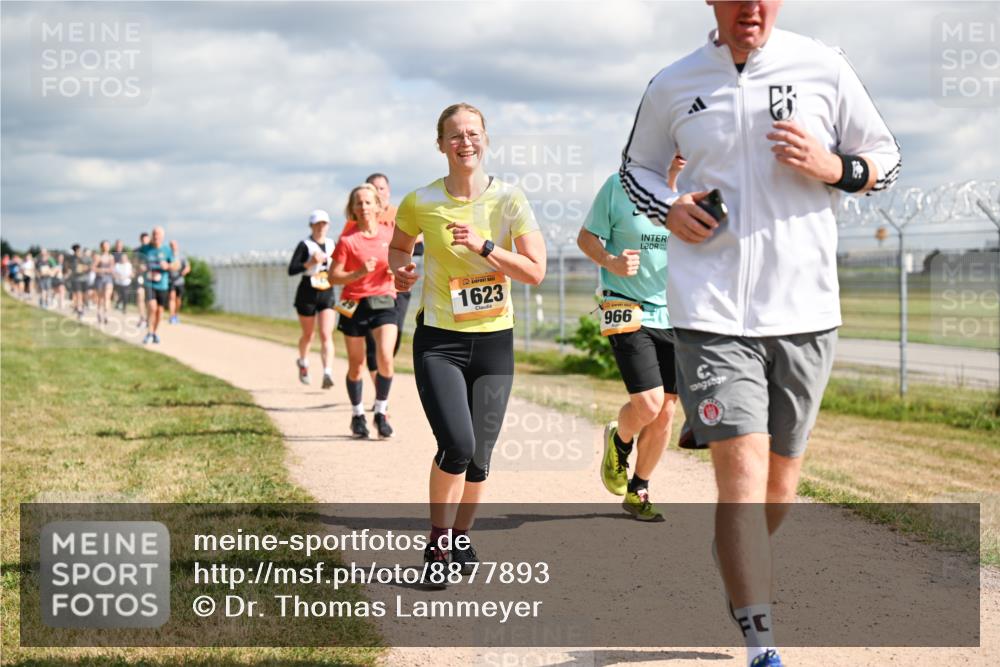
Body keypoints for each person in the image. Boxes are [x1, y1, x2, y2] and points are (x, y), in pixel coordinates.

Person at [619, 2, 901, 665]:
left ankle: (737, 550)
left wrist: (836, 168)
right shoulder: (674, 82)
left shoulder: (823, 67)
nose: (752, 7)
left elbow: (885, 156)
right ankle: (761, 641)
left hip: (805, 310)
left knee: (778, 490)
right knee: (741, 479)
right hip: (712, 311)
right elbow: (637, 170)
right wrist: (672, 205)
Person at [389, 103, 546, 584]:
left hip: (495, 340)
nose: (465, 142)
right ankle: (437, 547)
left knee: (480, 458)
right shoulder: (421, 201)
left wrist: (483, 247)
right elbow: (398, 247)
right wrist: (401, 270)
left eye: (473, 133)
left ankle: (460, 537)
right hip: (440, 341)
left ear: (486, 139)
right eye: (455, 135)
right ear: (440, 145)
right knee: (456, 444)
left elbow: (536, 272)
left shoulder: (510, 200)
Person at [577, 155, 685, 522]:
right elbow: (586, 237)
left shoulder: (694, 194)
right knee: (650, 403)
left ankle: (639, 487)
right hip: (626, 306)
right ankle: (620, 441)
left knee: (667, 411)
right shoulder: (620, 186)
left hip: (677, 313)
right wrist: (610, 261)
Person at [330, 183, 399, 438]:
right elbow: (333, 277)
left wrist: (397, 269)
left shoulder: (389, 234)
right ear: (353, 209)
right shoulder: (348, 240)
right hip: (354, 303)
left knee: (385, 357)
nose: (364, 207)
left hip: (383, 301)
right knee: (357, 365)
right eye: (358, 203)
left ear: (378, 206)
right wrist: (359, 273)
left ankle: (381, 411)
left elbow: (403, 262)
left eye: (368, 202)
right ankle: (357, 414)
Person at [287, 210, 338, 388]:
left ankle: (327, 373)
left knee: (326, 334)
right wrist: (309, 262)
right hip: (307, 291)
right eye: (317, 224)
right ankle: (303, 361)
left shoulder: (333, 244)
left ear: (328, 226)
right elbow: (291, 269)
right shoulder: (305, 245)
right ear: (311, 226)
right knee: (309, 335)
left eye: (324, 224)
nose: (320, 227)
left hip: (326, 290)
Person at [137, 227, 174, 344]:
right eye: (154, 234)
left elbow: (175, 264)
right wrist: (141, 267)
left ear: (162, 237)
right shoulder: (145, 249)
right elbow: (136, 261)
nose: (156, 236)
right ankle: (149, 333)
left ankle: (155, 333)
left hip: (162, 284)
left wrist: (168, 266)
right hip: (149, 283)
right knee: (152, 307)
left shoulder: (167, 250)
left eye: (158, 235)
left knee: (160, 311)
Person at [168, 239, 191, 324]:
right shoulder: (168, 256)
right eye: (171, 245)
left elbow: (188, 267)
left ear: (177, 246)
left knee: (178, 299)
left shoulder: (182, 256)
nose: (173, 246)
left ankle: (175, 314)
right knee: (171, 298)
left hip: (179, 281)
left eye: (174, 245)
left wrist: (184, 272)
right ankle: (171, 317)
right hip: (170, 281)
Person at [66, 245, 90, 319]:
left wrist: (85, 268)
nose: (78, 252)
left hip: (84, 279)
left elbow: (90, 266)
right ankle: (80, 311)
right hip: (76, 279)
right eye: (76, 250)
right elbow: (68, 267)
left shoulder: (84, 257)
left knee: (84, 295)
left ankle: (82, 307)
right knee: (79, 295)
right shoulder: (71, 259)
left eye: (79, 250)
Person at [93, 241, 115, 325]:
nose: (106, 247)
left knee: (107, 296)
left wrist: (111, 271)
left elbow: (112, 268)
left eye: (108, 245)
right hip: (100, 279)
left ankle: (106, 315)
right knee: (100, 298)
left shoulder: (111, 257)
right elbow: (93, 268)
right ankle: (99, 312)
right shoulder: (98, 257)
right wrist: (102, 270)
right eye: (105, 246)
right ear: (101, 247)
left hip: (108, 279)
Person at [134, 232, 150, 328]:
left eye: (146, 240)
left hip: (149, 278)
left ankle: (148, 318)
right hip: (140, 278)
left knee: (149, 300)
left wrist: (147, 267)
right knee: (140, 297)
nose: (145, 242)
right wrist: (137, 267)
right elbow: (133, 263)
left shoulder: (152, 251)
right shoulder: (137, 251)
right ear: (140, 240)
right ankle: (142, 318)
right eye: (143, 240)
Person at [113, 249, 134, 314]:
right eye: (122, 258)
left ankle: (124, 308)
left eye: (125, 258)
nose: (123, 259)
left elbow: (132, 273)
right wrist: (119, 277)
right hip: (119, 283)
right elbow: (114, 273)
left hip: (127, 283)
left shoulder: (129, 265)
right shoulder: (117, 265)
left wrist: (126, 277)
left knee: (125, 295)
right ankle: (118, 303)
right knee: (121, 295)